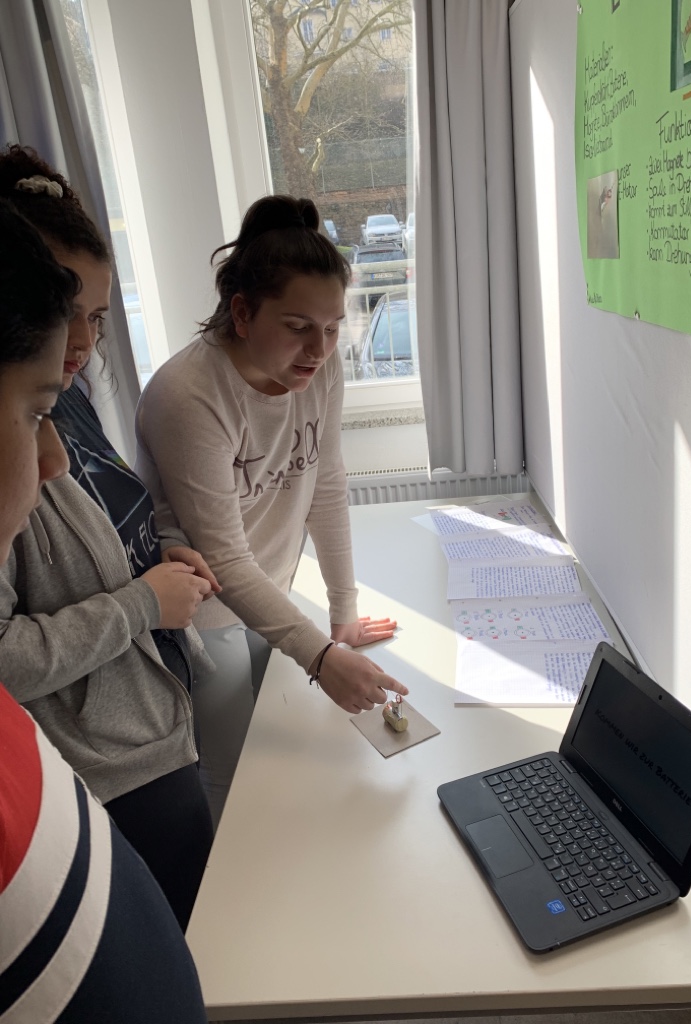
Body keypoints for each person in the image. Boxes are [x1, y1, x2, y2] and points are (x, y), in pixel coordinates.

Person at [135, 194, 409, 827]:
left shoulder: (318, 368)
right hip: (205, 610)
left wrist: (341, 616)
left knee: (291, 750)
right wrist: (320, 655)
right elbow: (224, 557)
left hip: (270, 584)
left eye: (333, 327)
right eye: (297, 326)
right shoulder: (188, 396)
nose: (319, 348)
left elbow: (325, 482)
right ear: (242, 312)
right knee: (237, 779)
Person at [0, 198, 207, 1023]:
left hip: (149, 721)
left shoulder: (76, 401)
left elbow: (114, 520)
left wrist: (158, 561)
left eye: (96, 317)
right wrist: (141, 602)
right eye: (32, 415)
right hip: (111, 757)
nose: (84, 339)